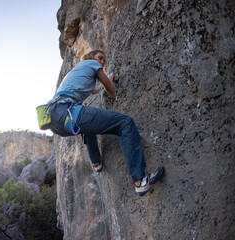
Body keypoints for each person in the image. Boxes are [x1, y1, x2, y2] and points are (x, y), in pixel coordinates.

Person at [47, 50, 164, 196]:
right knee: (125, 123)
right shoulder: (91, 63)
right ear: (91, 57)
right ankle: (140, 181)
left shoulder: (79, 71)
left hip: (57, 120)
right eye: (100, 58)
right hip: (67, 112)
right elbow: (111, 90)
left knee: (87, 125)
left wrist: (102, 82)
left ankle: (96, 162)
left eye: (104, 60)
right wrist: (108, 79)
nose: (102, 62)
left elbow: (95, 90)